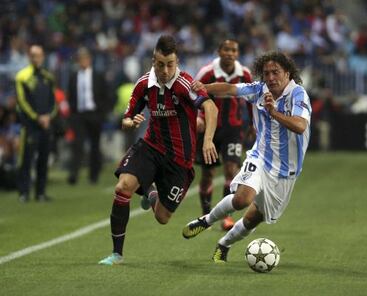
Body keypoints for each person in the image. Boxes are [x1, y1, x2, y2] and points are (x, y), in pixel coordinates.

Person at [99, 35, 218, 265]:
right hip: (151, 147)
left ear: (177, 61)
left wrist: (208, 140)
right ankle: (117, 254)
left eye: (170, 64)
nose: (165, 70)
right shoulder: (144, 84)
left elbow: (210, 108)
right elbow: (125, 118)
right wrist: (129, 122)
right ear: (153, 61)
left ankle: (150, 192)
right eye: (160, 64)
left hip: (180, 160)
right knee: (123, 188)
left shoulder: (185, 84)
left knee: (163, 217)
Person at [182, 50, 312, 263]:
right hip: (260, 157)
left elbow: (300, 125)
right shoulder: (259, 90)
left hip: (286, 171)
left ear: (287, 72)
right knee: (242, 199)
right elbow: (230, 89)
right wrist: (204, 88)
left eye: (275, 72)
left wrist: (274, 113)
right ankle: (206, 220)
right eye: (266, 73)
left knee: (253, 218)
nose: (270, 78)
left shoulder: (298, 95)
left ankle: (224, 244)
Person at [194, 39, 253, 231]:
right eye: (226, 49)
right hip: (209, 130)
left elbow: (252, 99)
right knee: (208, 174)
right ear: (219, 51)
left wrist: (253, 124)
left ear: (238, 53)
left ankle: (226, 217)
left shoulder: (244, 73)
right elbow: (192, 95)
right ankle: (206, 213)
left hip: (233, 129)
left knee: (231, 170)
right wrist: (197, 117)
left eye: (234, 50)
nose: (230, 53)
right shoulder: (207, 73)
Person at [15, 44, 57, 202]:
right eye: (33, 55)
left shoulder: (48, 77)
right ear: (29, 57)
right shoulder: (22, 77)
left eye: (38, 55)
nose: (36, 58)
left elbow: (54, 102)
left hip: (46, 124)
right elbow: (21, 101)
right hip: (30, 125)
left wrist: (48, 117)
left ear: (43, 57)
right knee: (26, 159)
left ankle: (40, 193)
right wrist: (36, 117)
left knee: (43, 159)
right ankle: (23, 192)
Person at [67, 47, 110, 185]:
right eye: (81, 59)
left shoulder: (98, 75)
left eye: (85, 58)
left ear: (89, 60)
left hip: (94, 114)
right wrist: (73, 112)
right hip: (79, 115)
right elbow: (70, 95)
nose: (83, 61)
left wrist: (102, 113)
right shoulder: (74, 76)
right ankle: (74, 174)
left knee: (95, 146)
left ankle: (93, 175)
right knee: (77, 145)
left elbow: (105, 94)